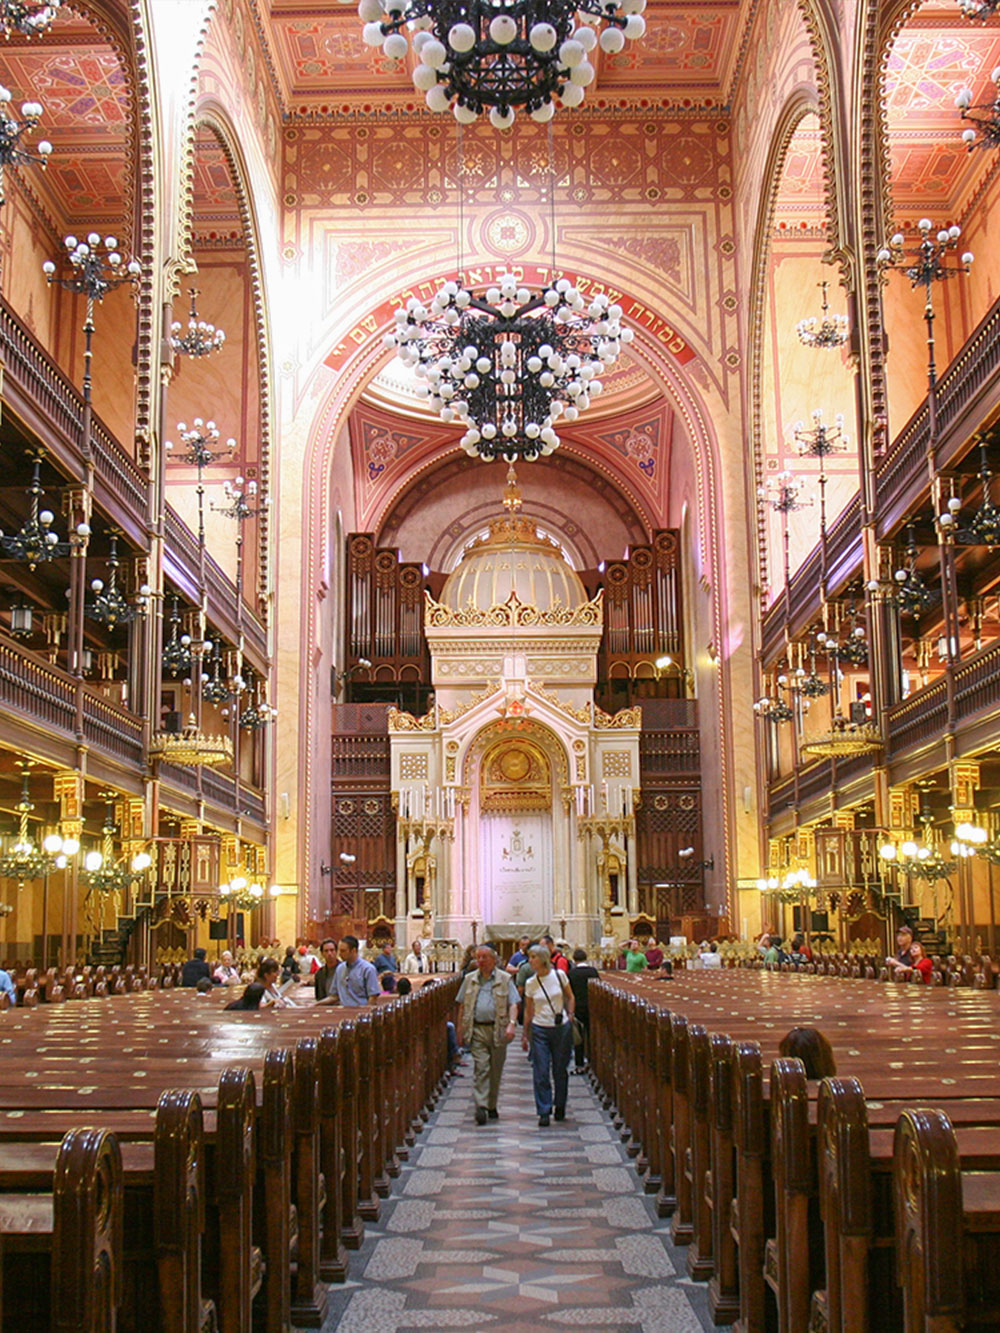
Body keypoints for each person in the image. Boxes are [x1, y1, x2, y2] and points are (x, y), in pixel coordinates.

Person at [456, 944, 519, 1124]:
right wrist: (461, 1029)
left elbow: (514, 1003)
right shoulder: (469, 979)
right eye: (478, 957)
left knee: (495, 1070)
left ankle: (492, 1104)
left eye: (484, 957)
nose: (481, 961)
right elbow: (462, 1005)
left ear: (494, 959)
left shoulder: (505, 979)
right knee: (481, 1067)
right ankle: (481, 1106)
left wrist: (512, 1024)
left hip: (498, 1029)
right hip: (477, 1029)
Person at [523, 945, 575, 1126]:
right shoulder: (531, 983)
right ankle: (544, 1110)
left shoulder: (559, 976)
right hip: (539, 1029)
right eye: (530, 957)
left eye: (533, 957)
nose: (530, 961)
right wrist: (525, 1034)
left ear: (543, 959)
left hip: (560, 1028)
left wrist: (570, 1015)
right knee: (541, 1070)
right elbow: (528, 1010)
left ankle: (560, 1104)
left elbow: (570, 996)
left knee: (560, 1069)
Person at [318, 935, 379, 1007]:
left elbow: (373, 997)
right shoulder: (340, 969)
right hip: (343, 1011)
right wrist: (315, 1004)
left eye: (343, 951)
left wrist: (366, 1011)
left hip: (360, 1010)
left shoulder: (368, 969)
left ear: (353, 951)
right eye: (339, 950)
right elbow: (334, 996)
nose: (339, 954)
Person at [568, 947, 599, 1073]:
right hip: (591, 1006)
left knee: (578, 1037)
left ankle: (579, 1064)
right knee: (591, 1034)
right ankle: (592, 1062)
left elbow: (569, 993)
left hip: (577, 1007)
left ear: (574, 960)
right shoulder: (593, 971)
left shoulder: (572, 973)